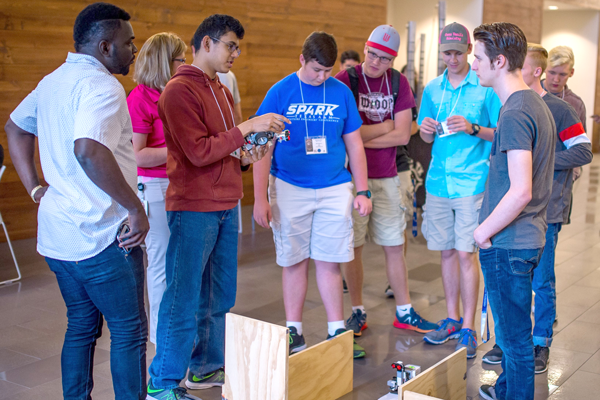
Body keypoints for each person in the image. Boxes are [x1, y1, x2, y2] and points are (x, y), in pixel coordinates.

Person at [5, 3, 149, 399]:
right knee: (129, 331)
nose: (132, 50)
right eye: (127, 43)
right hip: (103, 237)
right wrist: (135, 208)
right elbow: (88, 149)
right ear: (104, 47)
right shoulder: (103, 86)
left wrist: (35, 188)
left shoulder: (52, 81)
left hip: (58, 236)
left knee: (81, 325)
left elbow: (15, 127)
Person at [146, 14, 289, 399]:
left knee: (220, 296)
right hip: (193, 206)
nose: (236, 54)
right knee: (182, 295)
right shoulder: (178, 91)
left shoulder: (222, 89)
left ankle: (205, 368)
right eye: (230, 45)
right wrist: (245, 129)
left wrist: (250, 151)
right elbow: (197, 151)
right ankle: (162, 382)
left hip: (226, 202)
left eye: (238, 47)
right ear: (205, 44)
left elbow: (227, 150)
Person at [253, 31, 372, 358]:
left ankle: (337, 330)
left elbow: (355, 145)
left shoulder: (342, 93)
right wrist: (261, 197)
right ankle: (295, 330)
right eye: (316, 70)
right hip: (290, 186)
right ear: (302, 60)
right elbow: (262, 147)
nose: (322, 77)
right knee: (294, 261)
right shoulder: (280, 92)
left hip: (334, 187)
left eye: (328, 71)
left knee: (330, 260)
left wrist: (362, 190)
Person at [482, 43, 592, 373]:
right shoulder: (512, 105)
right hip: (515, 213)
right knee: (511, 287)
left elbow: (583, 151)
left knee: (541, 280)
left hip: (547, 210)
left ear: (534, 71)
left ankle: (540, 341)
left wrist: (540, 163)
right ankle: (510, 342)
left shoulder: (560, 108)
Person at [472, 22, 556, 400]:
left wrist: (482, 231)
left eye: (477, 57)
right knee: (513, 336)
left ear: (499, 61)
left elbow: (521, 191)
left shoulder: (515, 112)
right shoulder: (532, 103)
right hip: (525, 238)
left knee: (515, 343)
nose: (473, 64)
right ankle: (505, 390)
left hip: (509, 243)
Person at [336, 25, 437, 338]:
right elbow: (344, 133)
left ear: (392, 60)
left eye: (384, 58)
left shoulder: (398, 82)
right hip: (352, 178)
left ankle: (404, 310)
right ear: (365, 48)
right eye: (372, 54)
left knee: (394, 244)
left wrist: (361, 136)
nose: (375, 62)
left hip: (390, 175)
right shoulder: (346, 80)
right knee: (352, 248)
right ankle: (357, 311)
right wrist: (385, 127)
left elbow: (404, 135)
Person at [417, 22, 501, 359]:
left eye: (457, 52)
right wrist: (423, 130)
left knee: (467, 253)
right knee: (447, 252)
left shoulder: (484, 88)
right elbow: (425, 137)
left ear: (468, 50)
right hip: (438, 182)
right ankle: (451, 318)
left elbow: (501, 133)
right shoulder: (433, 89)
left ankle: (468, 325)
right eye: (446, 53)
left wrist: (473, 127)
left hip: (471, 182)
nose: (452, 58)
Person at [127, 32, 187, 345]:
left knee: (181, 260)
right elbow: (138, 155)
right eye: (181, 59)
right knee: (162, 261)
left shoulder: (177, 93)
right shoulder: (140, 98)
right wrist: (183, 149)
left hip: (181, 182)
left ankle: (176, 330)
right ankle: (160, 336)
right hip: (155, 185)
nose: (186, 64)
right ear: (165, 62)